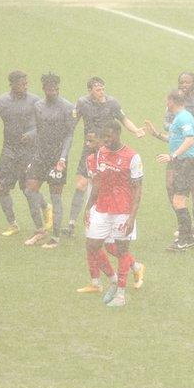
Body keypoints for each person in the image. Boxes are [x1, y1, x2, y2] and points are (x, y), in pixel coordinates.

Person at [65, 77, 146, 237]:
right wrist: (66, 134)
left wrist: (136, 130)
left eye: (103, 89)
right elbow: (72, 122)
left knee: (104, 185)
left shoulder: (112, 103)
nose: (102, 92)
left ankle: (103, 221)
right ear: (90, 91)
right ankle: (72, 223)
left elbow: (124, 119)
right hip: (89, 149)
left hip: (108, 151)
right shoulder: (82, 102)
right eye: (98, 89)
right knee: (81, 185)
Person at [81, 121, 145, 305]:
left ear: (118, 133)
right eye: (104, 138)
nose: (106, 141)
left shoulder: (132, 157)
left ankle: (121, 295)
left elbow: (138, 188)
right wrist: (88, 207)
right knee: (92, 245)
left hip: (123, 211)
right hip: (102, 208)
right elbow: (98, 183)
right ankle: (114, 280)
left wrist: (132, 217)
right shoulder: (101, 153)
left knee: (122, 250)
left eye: (109, 137)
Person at [0, 71, 39, 236]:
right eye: (22, 84)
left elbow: (42, 124)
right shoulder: (1, 101)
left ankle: (40, 223)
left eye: (26, 84)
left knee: (29, 189)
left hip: (27, 152)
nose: (25, 87)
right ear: (12, 84)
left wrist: (32, 135)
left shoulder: (34, 101)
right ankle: (13, 224)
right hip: (9, 150)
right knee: (3, 187)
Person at [22, 73, 75, 249]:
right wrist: (30, 135)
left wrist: (63, 157)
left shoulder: (68, 107)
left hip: (57, 158)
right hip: (40, 156)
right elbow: (39, 129)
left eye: (55, 89)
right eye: (49, 88)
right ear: (44, 89)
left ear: (58, 89)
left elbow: (69, 135)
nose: (52, 91)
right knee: (30, 191)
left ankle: (56, 237)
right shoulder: (38, 106)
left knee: (56, 196)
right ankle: (40, 230)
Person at [145, 90, 194, 251]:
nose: (165, 103)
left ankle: (185, 238)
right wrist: (156, 134)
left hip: (185, 162)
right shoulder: (178, 118)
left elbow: (190, 140)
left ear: (172, 101)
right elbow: (176, 138)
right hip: (179, 162)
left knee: (179, 201)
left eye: (167, 100)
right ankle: (186, 236)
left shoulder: (184, 117)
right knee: (178, 200)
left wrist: (172, 156)